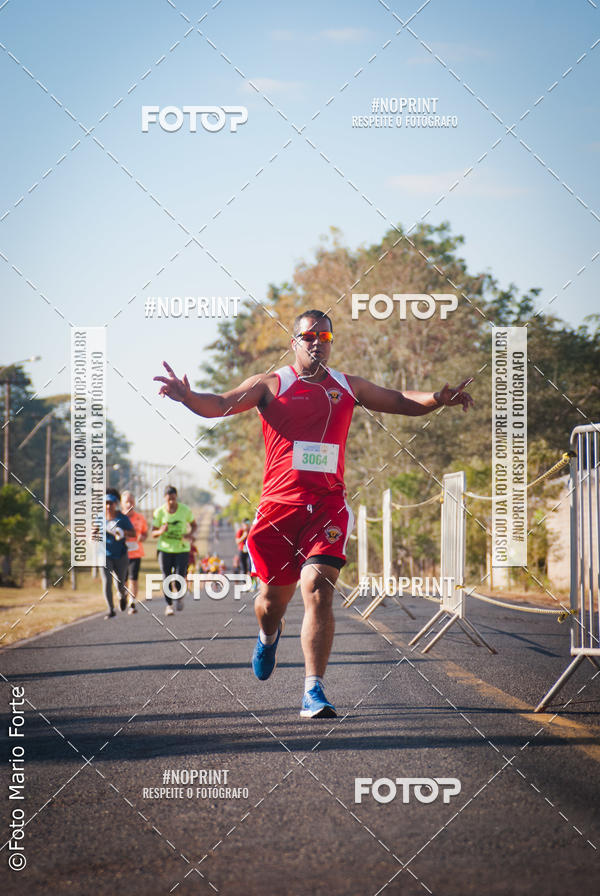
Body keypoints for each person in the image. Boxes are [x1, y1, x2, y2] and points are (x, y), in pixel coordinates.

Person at [154, 309, 473, 717]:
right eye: (309, 336)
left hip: (327, 506)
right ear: (295, 342)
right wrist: (188, 398)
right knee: (271, 602)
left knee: (319, 586)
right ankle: (269, 637)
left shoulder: (347, 385)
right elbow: (218, 404)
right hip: (277, 509)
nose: (317, 342)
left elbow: (398, 400)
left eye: (325, 336)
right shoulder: (270, 384)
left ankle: (313, 690)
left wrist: (437, 399)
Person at [152, 485, 197, 616]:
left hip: (182, 549)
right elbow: (153, 532)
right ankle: (169, 605)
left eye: (173, 498)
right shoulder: (159, 512)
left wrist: (189, 535)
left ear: (176, 497)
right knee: (166, 577)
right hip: (164, 549)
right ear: (164, 498)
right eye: (168, 499)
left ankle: (179, 596)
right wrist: (161, 531)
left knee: (179, 576)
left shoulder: (185, 510)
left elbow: (194, 525)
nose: (171, 502)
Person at [101, 490, 135, 619]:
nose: (109, 506)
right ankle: (111, 609)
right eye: (106, 503)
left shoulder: (122, 518)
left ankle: (122, 595)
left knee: (120, 584)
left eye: (111, 503)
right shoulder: (99, 517)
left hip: (121, 554)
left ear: (115, 504)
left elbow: (133, 534)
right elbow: (93, 532)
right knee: (106, 581)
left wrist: (122, 532)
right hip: (104, 555)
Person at [121, 491, 148, 614]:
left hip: (135, 553)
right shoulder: (117, 518)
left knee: (133, 578)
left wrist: (143, 537)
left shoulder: (140, 518)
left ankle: (132, 602)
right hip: (120, 554)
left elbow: (145, 533)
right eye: (126, 501)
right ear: (122, 503)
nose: (129, 504)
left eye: (131, 501)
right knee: (122, 579)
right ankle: (123, 595)